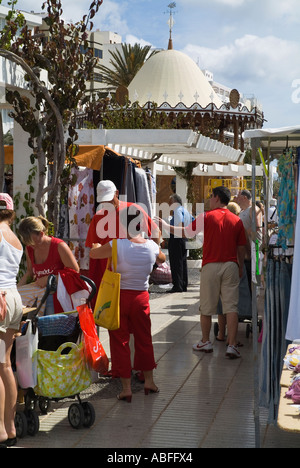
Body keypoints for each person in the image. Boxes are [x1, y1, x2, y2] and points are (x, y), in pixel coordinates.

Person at [155, 186, 247, 359]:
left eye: (211, 196)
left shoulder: (206, 216)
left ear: (217, 198)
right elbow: (241, 247)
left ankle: (206, 341)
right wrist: (240, 266)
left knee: (206, 307)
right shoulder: (237, 220)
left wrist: (165, 225)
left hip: (211, 265)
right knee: (231, 307)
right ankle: (232, 345)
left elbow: (187, 232)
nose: (210, 200)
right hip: (231, 265)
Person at [90, 207, 165, 402]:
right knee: (144, 339)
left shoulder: (116, 245)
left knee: (120, 341)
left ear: (123, 225)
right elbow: (162, 258)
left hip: (119, 297)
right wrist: (157, 242)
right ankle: (149, 381)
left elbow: (94, 254)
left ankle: (126, 388)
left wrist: (95, 245)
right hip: (142, 298)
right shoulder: (151, 246)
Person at [86, 180, 160, 295]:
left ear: (116, 193)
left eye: (109, 198)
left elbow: (155, 231)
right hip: (107, 275)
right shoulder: (98, 217)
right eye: (103, 200)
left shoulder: (133, 209)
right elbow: (92, 247)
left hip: (131, 275)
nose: (106, 202)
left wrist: (154, 257)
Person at [18, 216, 79, 315]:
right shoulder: (29, 248)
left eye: (34, 243)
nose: (32, 246)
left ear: (42, 234)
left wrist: (50, 278)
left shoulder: (59, 246)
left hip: (59, 294)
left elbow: (75, 272)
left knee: (47, 306)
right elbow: (30, 273)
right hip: (40, 293)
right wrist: (16, 289)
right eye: (29, 244)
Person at [0, 194, 23, 447]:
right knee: (4, 364)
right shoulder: (16, 239)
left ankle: (1, 430)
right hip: (13, 299)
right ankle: (10, 427)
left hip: (0, 302)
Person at [236, 189, 262, 293]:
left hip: (253, 248)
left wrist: (242, 235)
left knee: (254, 279)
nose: (237, 199)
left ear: (244, 198)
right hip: (246, 251)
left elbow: (256, 227)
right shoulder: (242, 212)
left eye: (239, 197)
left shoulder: (253, 209)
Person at [167, 194, 194, 293]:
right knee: (182, 262)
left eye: (170, 202)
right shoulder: (185, 211)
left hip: (177, 238)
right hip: (184, 238)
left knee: (176, 262)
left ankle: (177, 286)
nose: (169, 204)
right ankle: (183, 284)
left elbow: (180, 224)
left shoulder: (177, 211)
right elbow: (193, 221)